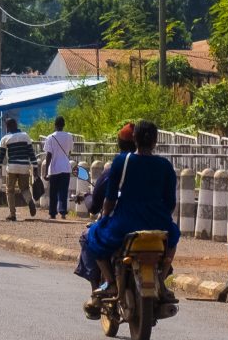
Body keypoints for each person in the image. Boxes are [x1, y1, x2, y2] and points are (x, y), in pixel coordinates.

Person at [77, 121, 180, 307]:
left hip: (125, 223)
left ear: (135, 139)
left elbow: (109, 200)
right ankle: (162, 281)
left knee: (93, 235)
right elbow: (171, 203)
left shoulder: (121, 162)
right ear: (156, 141)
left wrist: (105, 218)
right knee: (173, 236)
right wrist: (160, 217)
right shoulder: (165, 166)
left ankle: (109, 281)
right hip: (159, 222)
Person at [0, 117, 38, 222]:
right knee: (24, 188)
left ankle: (12, 214)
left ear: (7, 127)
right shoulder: (25, 136)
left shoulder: (5, 138)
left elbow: (0, 157)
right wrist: (35, 168)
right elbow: (31, 153)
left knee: (10, 190)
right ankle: (30, 202)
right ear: (16, 125)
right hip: (25, 167)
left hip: (12, 168)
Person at [41, 115, 76, 219]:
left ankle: (52, 213)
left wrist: (46, 171)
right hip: (65, 167)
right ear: (64, 125)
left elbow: (49, 155)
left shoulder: (50, 137)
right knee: (63, 191)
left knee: (53, 191)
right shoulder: (69, 136)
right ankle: (63, 212)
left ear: (55, 125)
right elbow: (69, 150)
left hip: (54, 168)